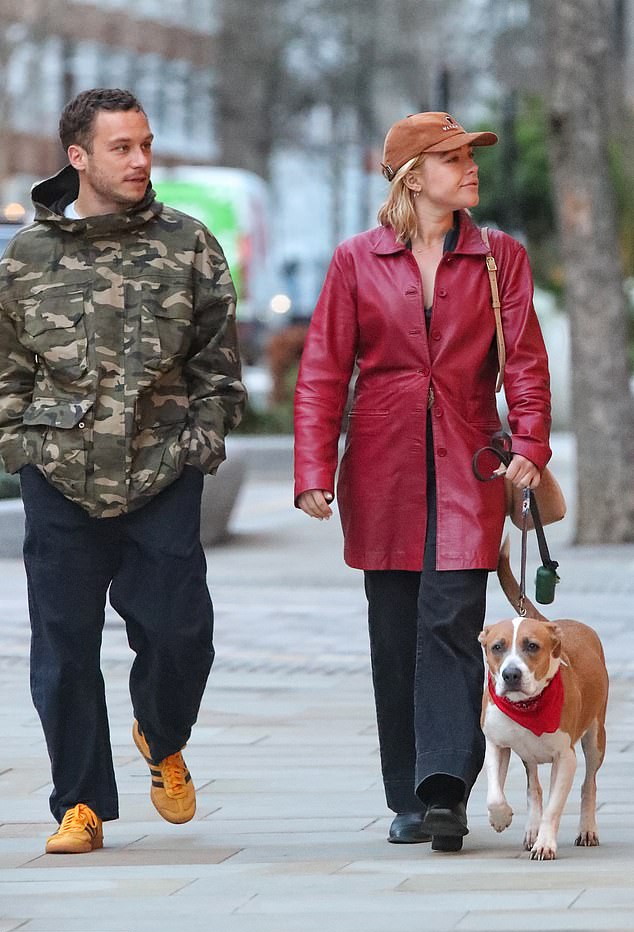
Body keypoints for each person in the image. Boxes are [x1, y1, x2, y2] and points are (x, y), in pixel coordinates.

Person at [294, 112, 551, 852]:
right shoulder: (355, 260)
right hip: (381, 468)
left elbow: (526, 362)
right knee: (394, 629)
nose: (470, 167)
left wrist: (530, 441)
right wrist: (313, 467)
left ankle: (445, 788)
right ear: (413, 175)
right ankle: (405, 791)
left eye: (471, 155)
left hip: (472, 466)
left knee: (450, 619)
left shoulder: (500, 255)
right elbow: (320, 371)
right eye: (453, 157)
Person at [0, 88, 247, 853]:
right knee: (64, 646)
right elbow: (8, 369)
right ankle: (80, 803)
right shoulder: (28, 256)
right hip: (60, 473)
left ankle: (160, 730)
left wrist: (201, 440)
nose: (141, 160)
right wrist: (22, 447)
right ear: (78, 157)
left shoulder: (188, 244)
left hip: (163, 468)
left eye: (145, 144)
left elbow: (218, 361)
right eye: (122, 148)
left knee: (182, 633)